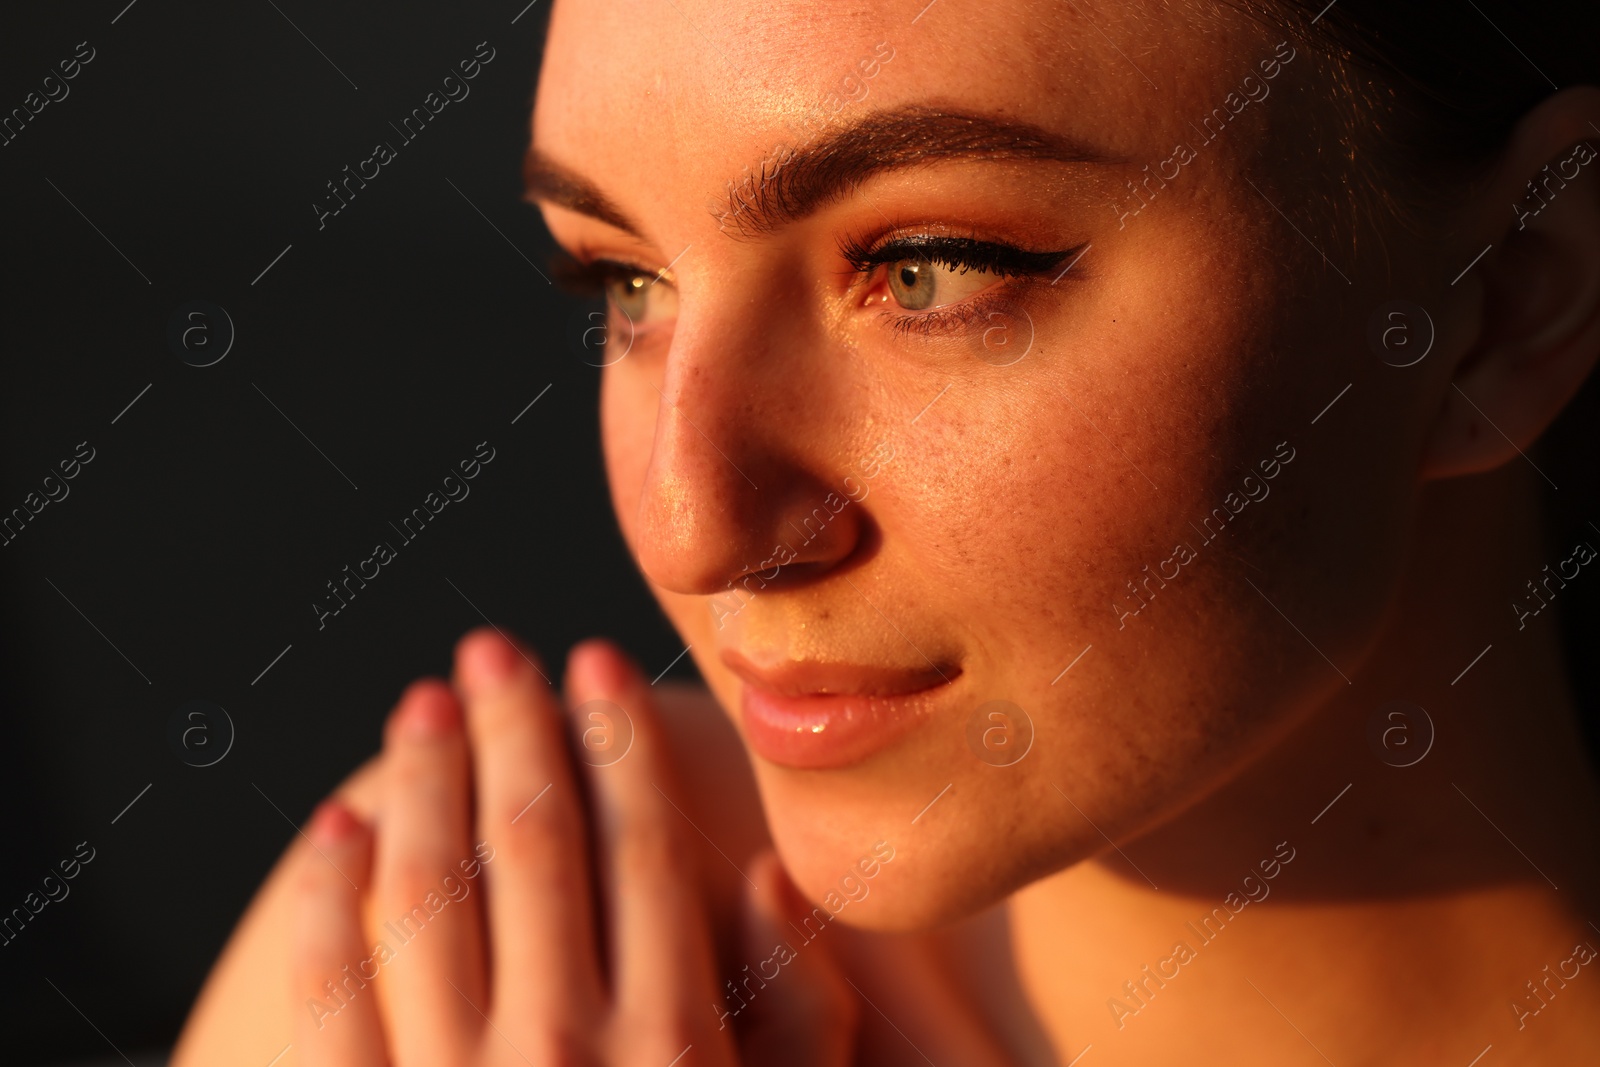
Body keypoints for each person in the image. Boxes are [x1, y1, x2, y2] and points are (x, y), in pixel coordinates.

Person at [171, 0, 1600, 1063]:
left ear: (1510, 294)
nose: (694, 527)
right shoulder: (481, 968)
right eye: (625, 284)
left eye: (927, 270)